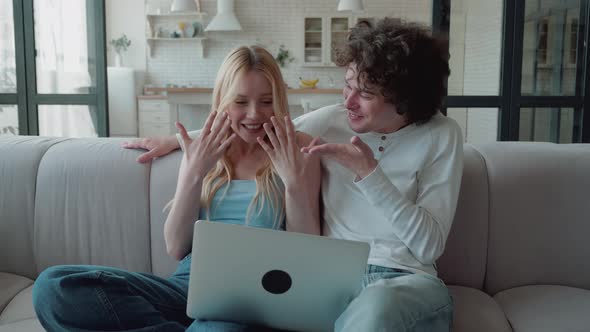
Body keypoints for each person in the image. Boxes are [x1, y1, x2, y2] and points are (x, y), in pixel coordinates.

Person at [124, 17, 463, 331]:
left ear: (404, 100)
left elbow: (428, 246)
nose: (349, 101)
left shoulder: (440, 135)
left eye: (365, 94)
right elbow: (252, 125)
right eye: (348, 86)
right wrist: (176, 140)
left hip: (406, 283)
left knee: (377, 306)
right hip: (336, 282)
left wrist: (369, 173)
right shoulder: (328, 122)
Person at [32, 45, 321, 332]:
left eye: (267, 101)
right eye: (240, 102)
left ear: (280, 101)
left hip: (255, 297)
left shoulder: (300, 148)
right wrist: (195, 171)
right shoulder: (202, 150)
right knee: (54, 287)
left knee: (219, 328)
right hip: (189, 286)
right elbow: (176, 246)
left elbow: (308, 252)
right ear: (222, 101)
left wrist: (293, 183)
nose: (254, 114)